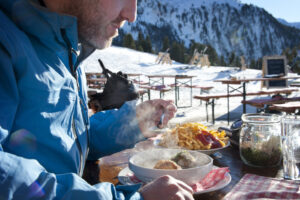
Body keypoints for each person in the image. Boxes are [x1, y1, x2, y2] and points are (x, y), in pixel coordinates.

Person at [0, 0, 195, 199]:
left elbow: (70, 137)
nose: (131, 15)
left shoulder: (65, 46)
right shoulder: (6, 41)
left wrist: (133, 123)